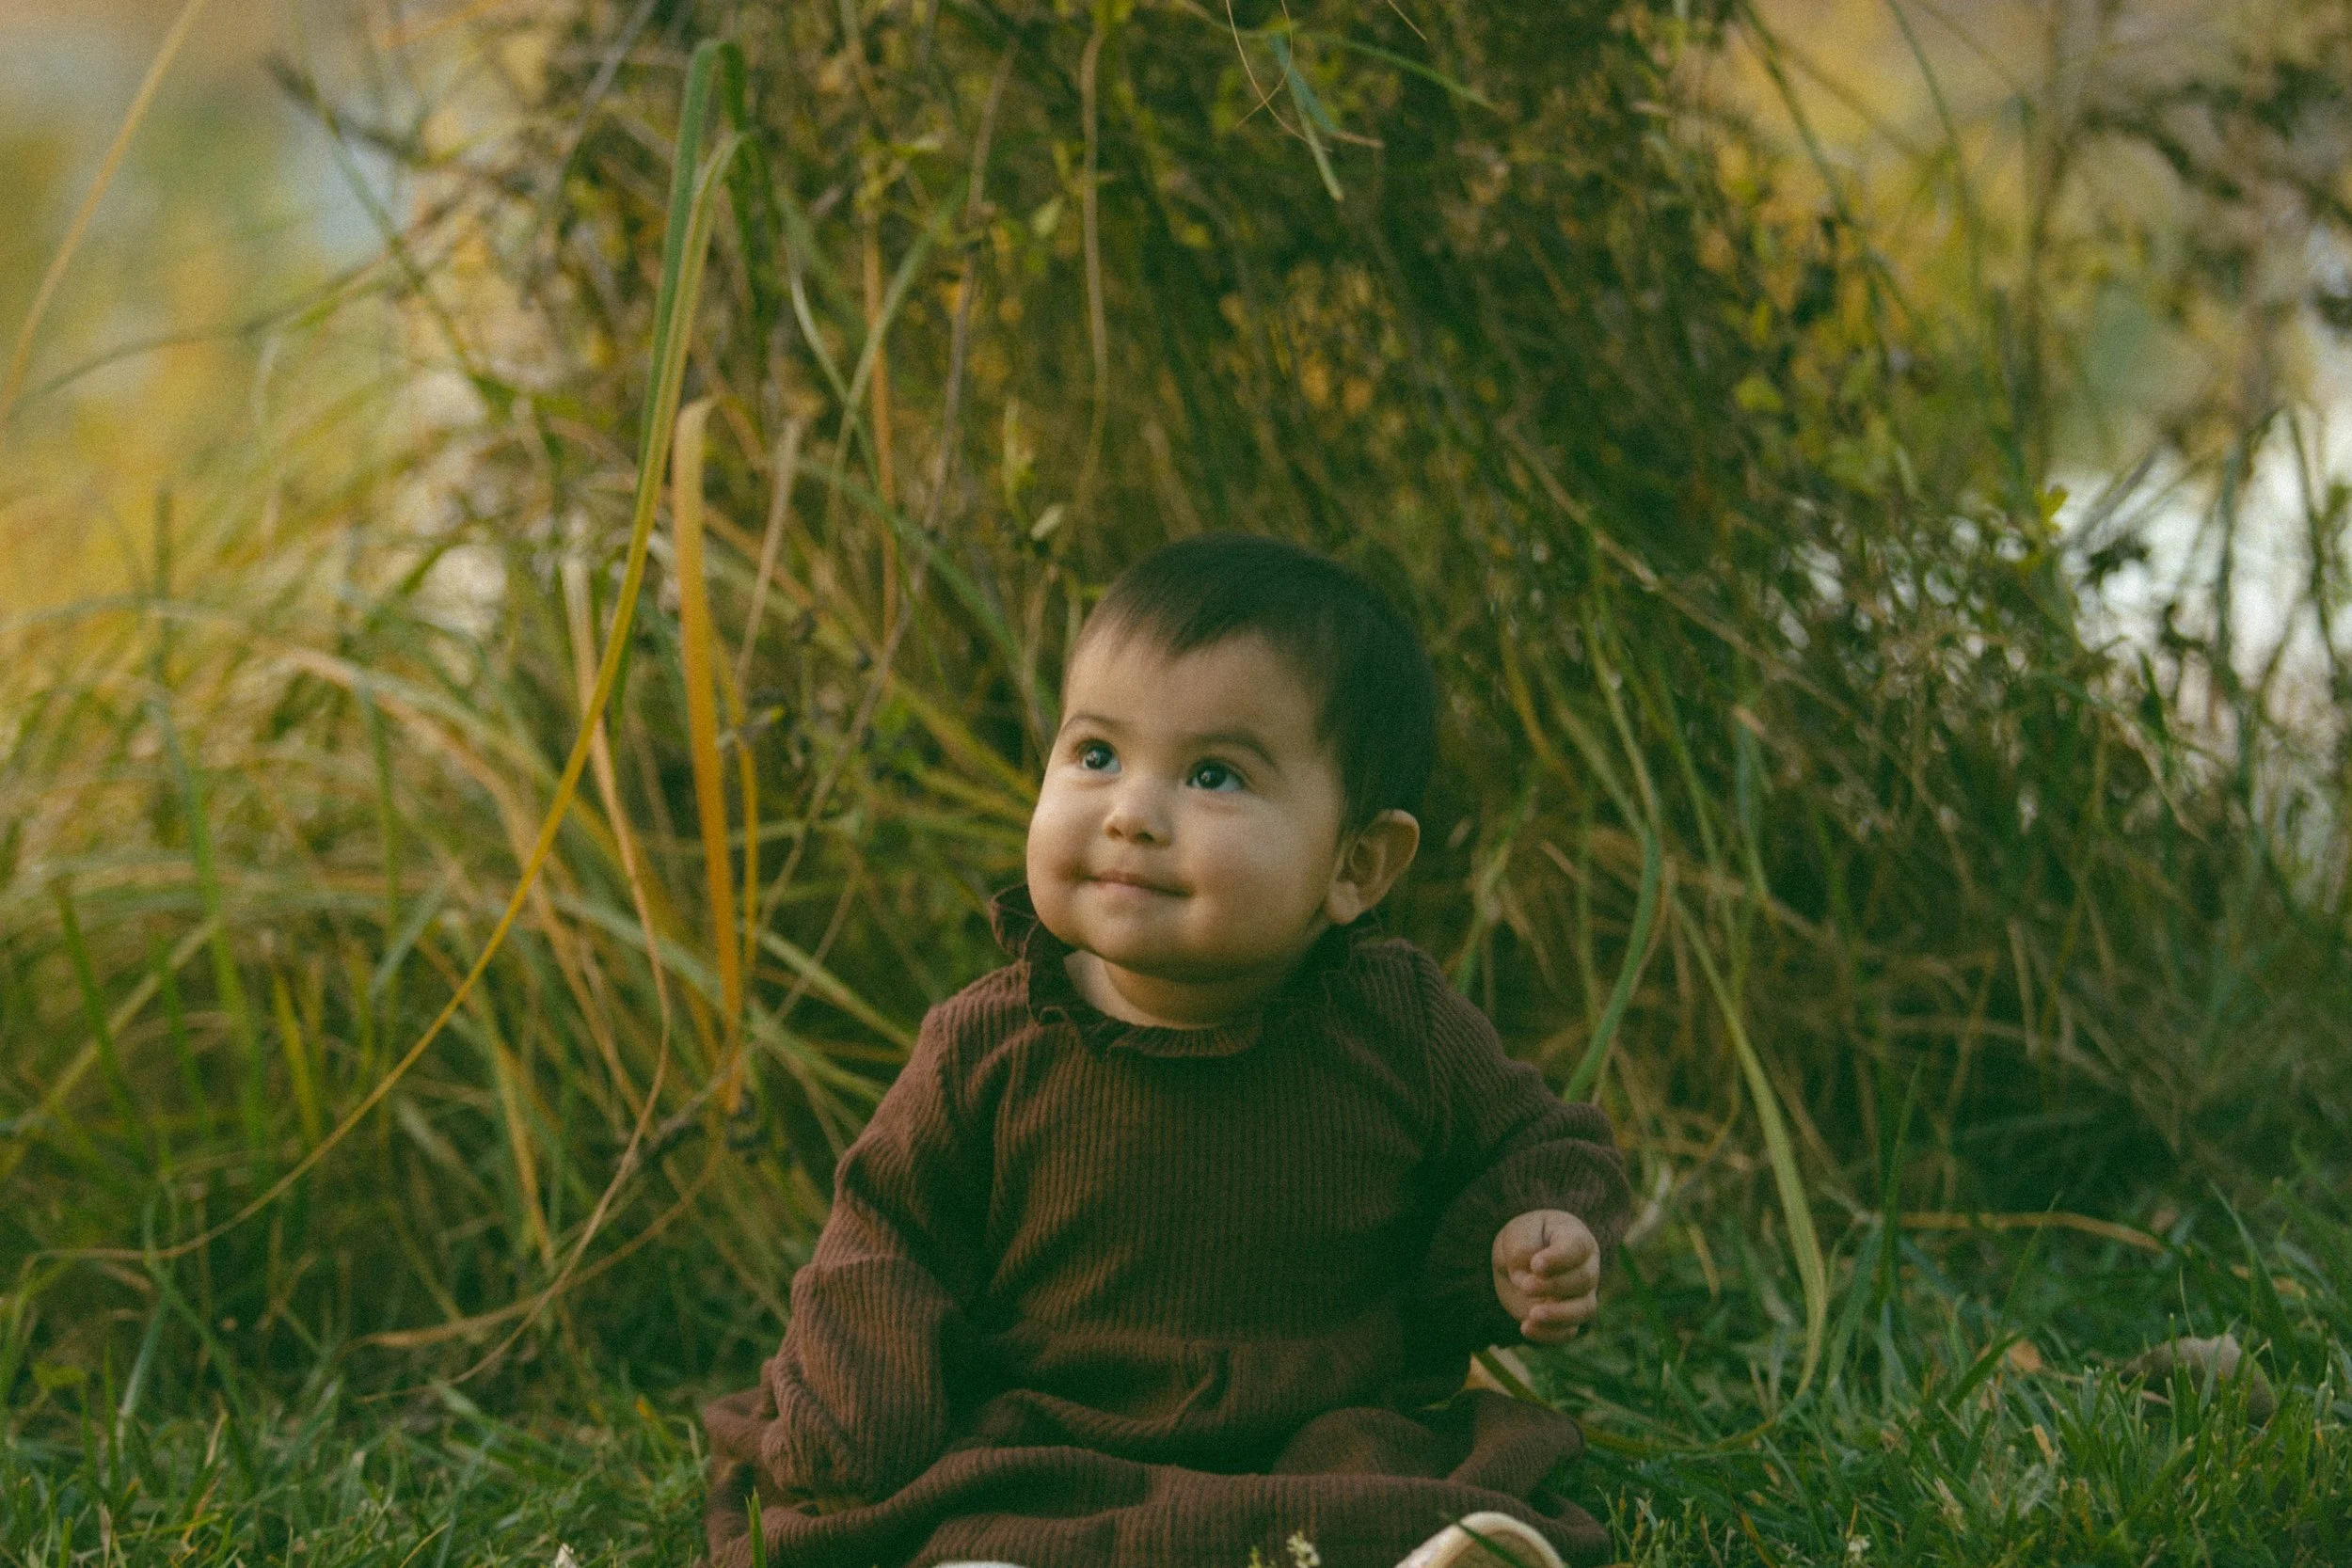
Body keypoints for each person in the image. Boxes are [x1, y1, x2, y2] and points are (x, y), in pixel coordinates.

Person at [703, 534, 1633, 1568]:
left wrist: (1532, 1228)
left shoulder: (1398, 1023)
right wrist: (854, 1419)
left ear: (1358, 864)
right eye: (1096, 754)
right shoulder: (988, 1043)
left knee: (1393, 1480)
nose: (1132, 814)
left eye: (1212, 774)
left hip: (1317, 1421)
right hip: (1055, 1426)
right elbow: (884, 1240)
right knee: (984, 1499)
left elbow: (1536, 1141)